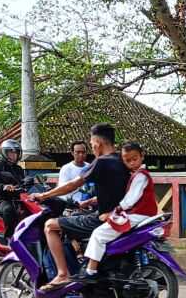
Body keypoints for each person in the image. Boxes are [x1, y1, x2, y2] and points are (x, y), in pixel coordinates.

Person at [33, 123, 140, 288]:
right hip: (120, 216)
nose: (91, 148)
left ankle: (63, 274)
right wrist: (90, 201)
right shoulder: (123, 160)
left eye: (91, 144)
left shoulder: (101, 162)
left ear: (98, 143)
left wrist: (43, 195)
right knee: (75, 218)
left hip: (103, 218)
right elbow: (115, 190)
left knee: (50, 226)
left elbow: (73, 185)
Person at [0, 138, 26, 241]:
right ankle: (9, 237)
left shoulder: (18, 168)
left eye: (16, 153)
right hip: (1, 199)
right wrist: (4, 187)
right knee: (8, 210)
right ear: (5, 153)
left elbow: (23, 182)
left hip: (17, 197)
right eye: (11, 153)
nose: (14, 155)